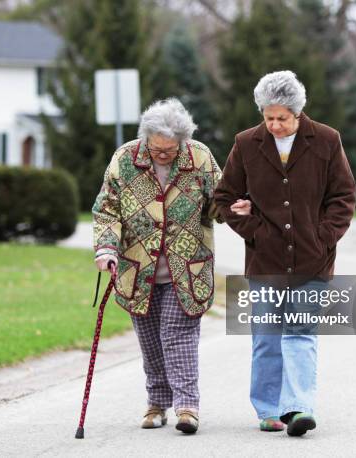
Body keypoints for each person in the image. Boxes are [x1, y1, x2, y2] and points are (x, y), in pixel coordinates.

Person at [214, 70, 356, 436]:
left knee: (301, 332)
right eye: (268, 117)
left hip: (313, 259)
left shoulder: (326, 140)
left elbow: (343, 197)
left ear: (297, 113)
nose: (274, 124)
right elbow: (224, 197)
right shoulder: (246, 144)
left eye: (282, 118)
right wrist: (253, 231)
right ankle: (268, 409)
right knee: (266, 336)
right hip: (265, 262)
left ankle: (298, 408)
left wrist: (324, 237)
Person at [92, 98, 222, 434]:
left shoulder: (199, 158)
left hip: (187, 270)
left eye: (169, 149)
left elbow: (217, 205)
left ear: (182, 141)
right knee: (149, 340)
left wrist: (235, 207)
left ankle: (187, 406)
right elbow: (107, 209)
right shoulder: (125, 159)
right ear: (145, 138)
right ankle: (156, 402)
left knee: (177, 336)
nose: (162, 154)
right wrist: (106, 248)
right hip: (137, 271)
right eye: (156, 148)